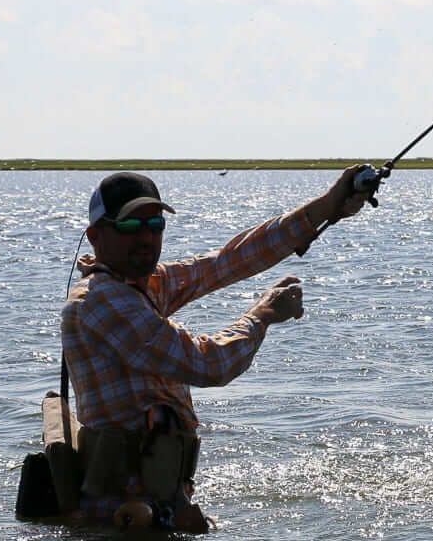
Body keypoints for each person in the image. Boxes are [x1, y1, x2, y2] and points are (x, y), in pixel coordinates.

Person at [60, 167, 369, 532]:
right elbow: (208, 365)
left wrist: (326, 208)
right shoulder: (102, 301)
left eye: (155, 225)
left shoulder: (141, 284)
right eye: (129, 227)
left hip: (161, 509)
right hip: (123, 520)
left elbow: (230, 260)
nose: (145, 237)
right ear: (96, 236)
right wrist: (263, 315)